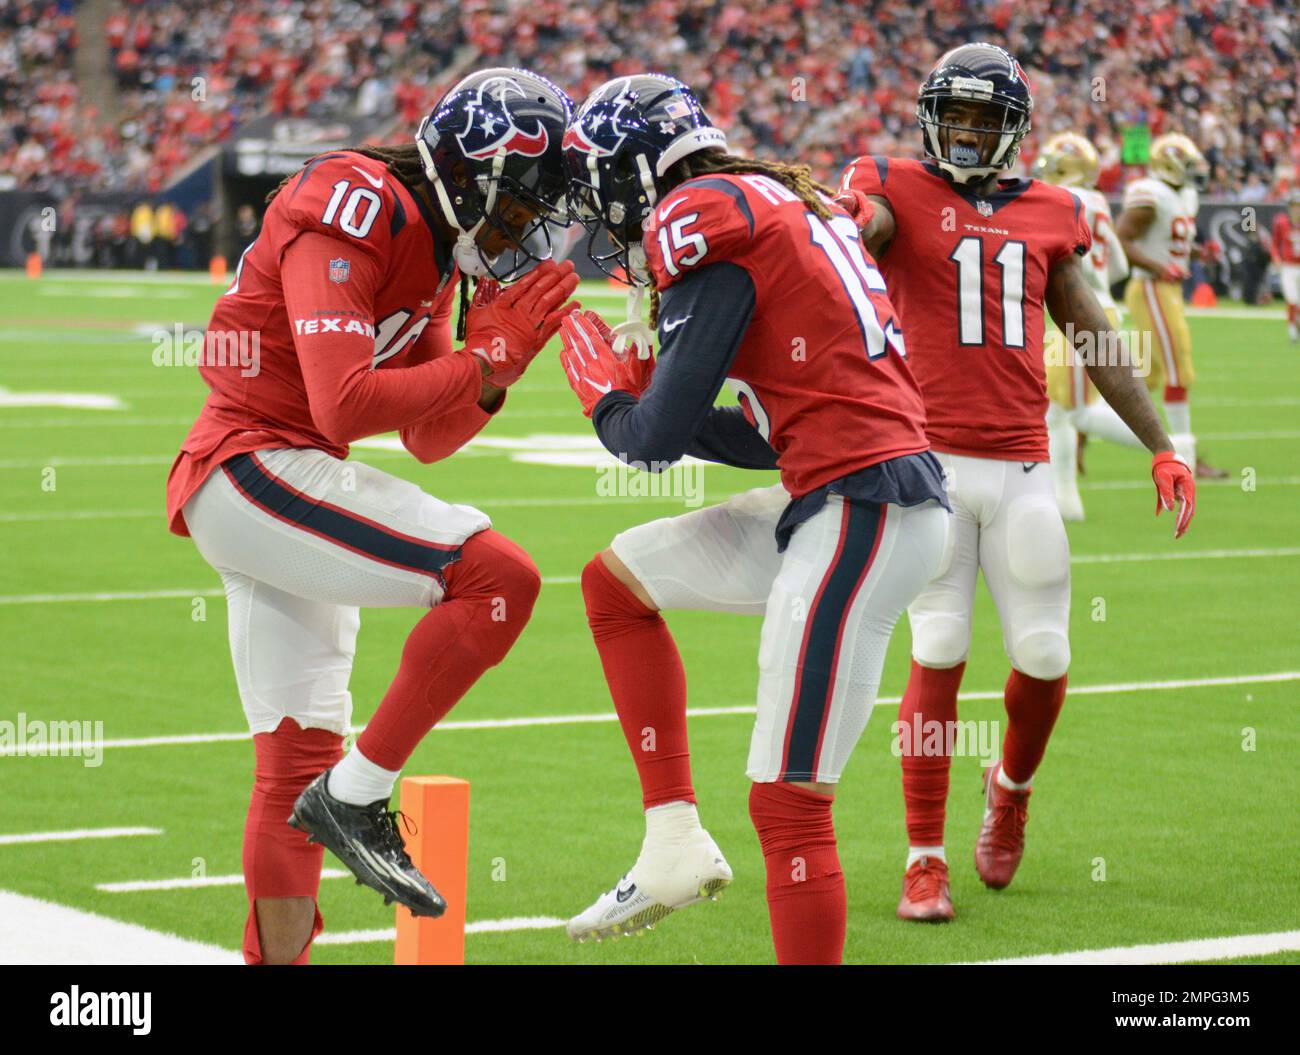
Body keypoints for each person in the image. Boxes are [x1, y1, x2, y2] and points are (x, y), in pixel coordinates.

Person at [164, 68, 578, 964]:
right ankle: (359, 795)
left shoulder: (429, 250)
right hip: (252, 461)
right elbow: (343, 402)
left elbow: (429, 437)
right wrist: (481, 363)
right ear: (467, 173)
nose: (524, 231)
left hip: (278, 477)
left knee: (292, 762)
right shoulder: (357, 200)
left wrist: (493, 371)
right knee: (496, 576)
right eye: (517, 206)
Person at [560, 74, 949, 964]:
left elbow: (652, 440)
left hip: (862, 511)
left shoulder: (701, 213)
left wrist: (604, 402)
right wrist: (642, 400)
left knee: (788, 802)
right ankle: (672, 838)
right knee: (617, 582)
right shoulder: (777, 200)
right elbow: (769, 435)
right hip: (844, 490)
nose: (602, 206)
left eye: (603, 178)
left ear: (637, 170)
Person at [840, 43, 1195, 922]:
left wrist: (1160, 444)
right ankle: (924, 856)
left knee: (1044, 653)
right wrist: (856, 218)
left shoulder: (1052, 211)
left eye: (981, 119)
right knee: (939, 645)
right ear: (931, 117)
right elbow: (874, 231)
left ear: (1013, 130)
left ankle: (1011, 787)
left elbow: (1096, 335)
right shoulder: (891, 185)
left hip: (1022, 462)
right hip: (927, 466)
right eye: (951, 116)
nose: (963, 133)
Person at [1034, 131, 1144, 522]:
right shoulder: (1097, 202)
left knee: (1072, 410)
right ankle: (1066, 503)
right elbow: (1120, 267)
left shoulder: (1057, 200)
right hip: (1102, 306)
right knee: (1058, 412)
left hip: (1081, 312)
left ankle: (1173, 448)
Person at [1116, 132, 1227, 478]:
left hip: (1165, 289)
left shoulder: (1179, 197)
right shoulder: (1152, 193)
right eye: (1188, 165)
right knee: (1179, 368)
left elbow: (1167, 241)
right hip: (1152, 287)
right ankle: (1186, 457)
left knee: (1149, 374)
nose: (1195, 172)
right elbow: (1123, 237)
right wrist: (1159, 266)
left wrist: (1197, 253)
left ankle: (1080, 422)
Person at [1270, 189, 1300, 342]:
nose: (1297, 209)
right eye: (1294, 206)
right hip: (1288, 266)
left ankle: (1296, 324)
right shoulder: (1282, 222)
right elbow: (1275, 244)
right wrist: (1276, 258)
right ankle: (1292, 329)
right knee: (1292, 298)